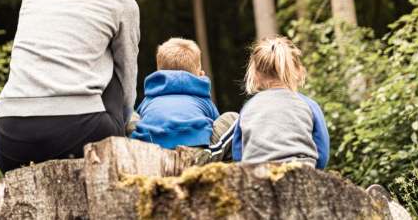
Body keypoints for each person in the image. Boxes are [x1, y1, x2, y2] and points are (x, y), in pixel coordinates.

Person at [0, 0, 140, 173]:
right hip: (80, 133)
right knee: (115, 68)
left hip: (11, 138)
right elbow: (127, 74)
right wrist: (128, 121)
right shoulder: (120, 2)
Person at [231, 36, 329, 168]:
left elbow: (238, 152)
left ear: (255, 74)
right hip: (302, 175)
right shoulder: (309, 105)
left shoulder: (249, 108)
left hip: (257, 177)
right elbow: (322, 152)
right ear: (298, 71)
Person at [131, 38, 237, 150]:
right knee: (232, 118)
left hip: (151, 148)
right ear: (200, 74)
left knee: (132, 116)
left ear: (159, 73)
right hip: (195, 151)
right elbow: (214, 125)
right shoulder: (203, 97)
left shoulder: (149, 98)